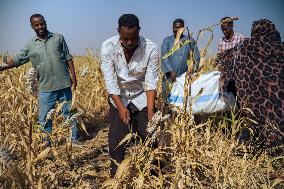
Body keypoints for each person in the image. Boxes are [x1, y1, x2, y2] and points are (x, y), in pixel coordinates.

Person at [0, 14, 78, 143]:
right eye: (37, 25)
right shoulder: (30, 45)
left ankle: (74, 141)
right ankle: (46, 145)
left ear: (45, 23)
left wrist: (74, 77)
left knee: (69, 114)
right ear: (32, 27)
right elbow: (16, 60)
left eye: (42, 23)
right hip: (46, 87)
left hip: (64, 84)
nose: (40, 26)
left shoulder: (58, 38)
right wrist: (1, 67)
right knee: (45, 119)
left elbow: (68, 57)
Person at [100, 14, 159, 177]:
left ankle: (154, 176)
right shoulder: (107, 47)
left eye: (134, 38)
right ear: (118, 31)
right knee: (116, 143)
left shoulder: (150, 48)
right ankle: (116, 177)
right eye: (125, 38)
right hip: (119, 97)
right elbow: (111, 82)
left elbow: (151, 82)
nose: (130, 42)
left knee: (151, 138)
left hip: (142, 96)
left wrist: (150, 111)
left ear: (139, 31)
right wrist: (120, 107)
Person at [215, 19, 284, 148]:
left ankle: (246, 147)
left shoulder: (245, 46)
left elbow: (223, 62)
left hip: (255, 105)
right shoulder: (280, 48)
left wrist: (223, 89)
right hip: (279, 107)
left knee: (254, 124)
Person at [161, 18, 200, 83]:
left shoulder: (190, 40)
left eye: (180, 28)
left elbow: (197, 58)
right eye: (175, 27)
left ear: (183, 28)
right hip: (170, 77)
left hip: (185, 79)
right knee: (168, 92)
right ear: (172, 28)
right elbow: (164, 57)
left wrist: (191, 71)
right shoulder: (167, 40)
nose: (177, 30)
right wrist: (170, 71)